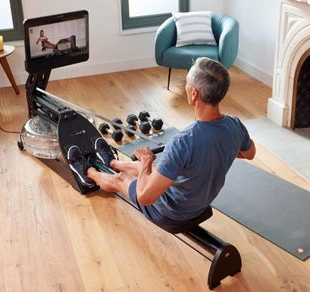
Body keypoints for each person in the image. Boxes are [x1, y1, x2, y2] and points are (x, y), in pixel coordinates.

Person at [86, 57, 256, 229]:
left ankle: (87, 170)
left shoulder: (183, 142)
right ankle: (113, 162)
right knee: (155, 170)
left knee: (122, 179)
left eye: (187, 84)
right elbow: (250, 153)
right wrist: (222, 147)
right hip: (200, 203)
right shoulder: (235, 125)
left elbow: (145, 197)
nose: (185, 87)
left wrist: (145, 160)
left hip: (171, 212)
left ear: (194, 94)